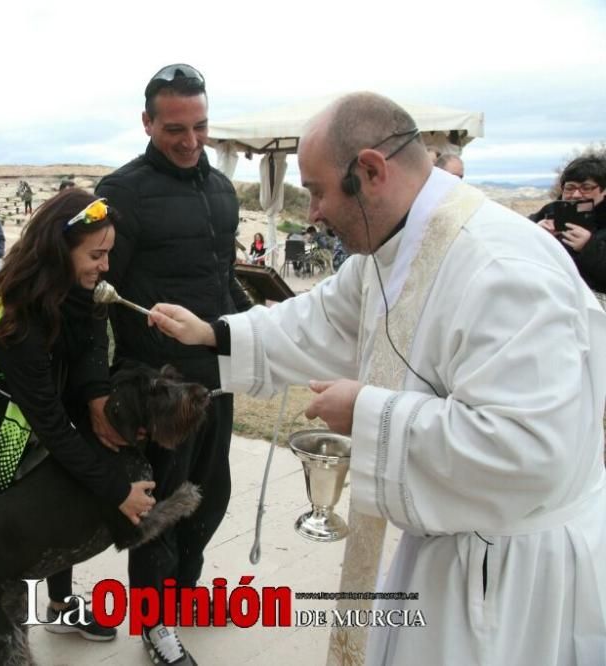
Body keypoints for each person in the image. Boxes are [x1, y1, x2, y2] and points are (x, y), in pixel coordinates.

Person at [147, 92, 606, 666]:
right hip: (452, 551)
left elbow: (532, 450)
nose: (311, 212)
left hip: (511, 579)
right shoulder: (395, 248)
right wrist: (215, 333)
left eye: (315, 191)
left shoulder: (502, 269)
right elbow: (317, 319)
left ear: (370, 171)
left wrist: (368, 413)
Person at [0, 189, 154, 643]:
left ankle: (59, 606)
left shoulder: (80, 291)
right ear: (58, 250)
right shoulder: (19, 318)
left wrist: (95, 397)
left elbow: (89, 349)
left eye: (108, 253)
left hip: (21, 409)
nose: (105, 266)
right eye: (96, 255)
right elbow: (49, 422)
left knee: (60, 500)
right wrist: (116, 491)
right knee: (17, 526)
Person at [92, 63, 251, 666]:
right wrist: (96, 392)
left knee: (211, 497)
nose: (190, 141)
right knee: (164, 507)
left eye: (201, 126)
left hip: (218, 376)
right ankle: (155, 626)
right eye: (175, 129)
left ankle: (184, 598)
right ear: (147, 122)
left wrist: (260, 337)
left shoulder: (222, 190)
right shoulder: (122, 193)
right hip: (159, 386)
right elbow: (92, 296)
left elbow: (222, 279)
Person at [530, 155, 606, 307]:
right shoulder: (551, 211)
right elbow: (516, 237)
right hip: (554, 296)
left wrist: (588, 246)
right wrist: (535, 232)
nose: (576, 194)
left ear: (603, 190)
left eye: (586, 188)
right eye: (570, 188)